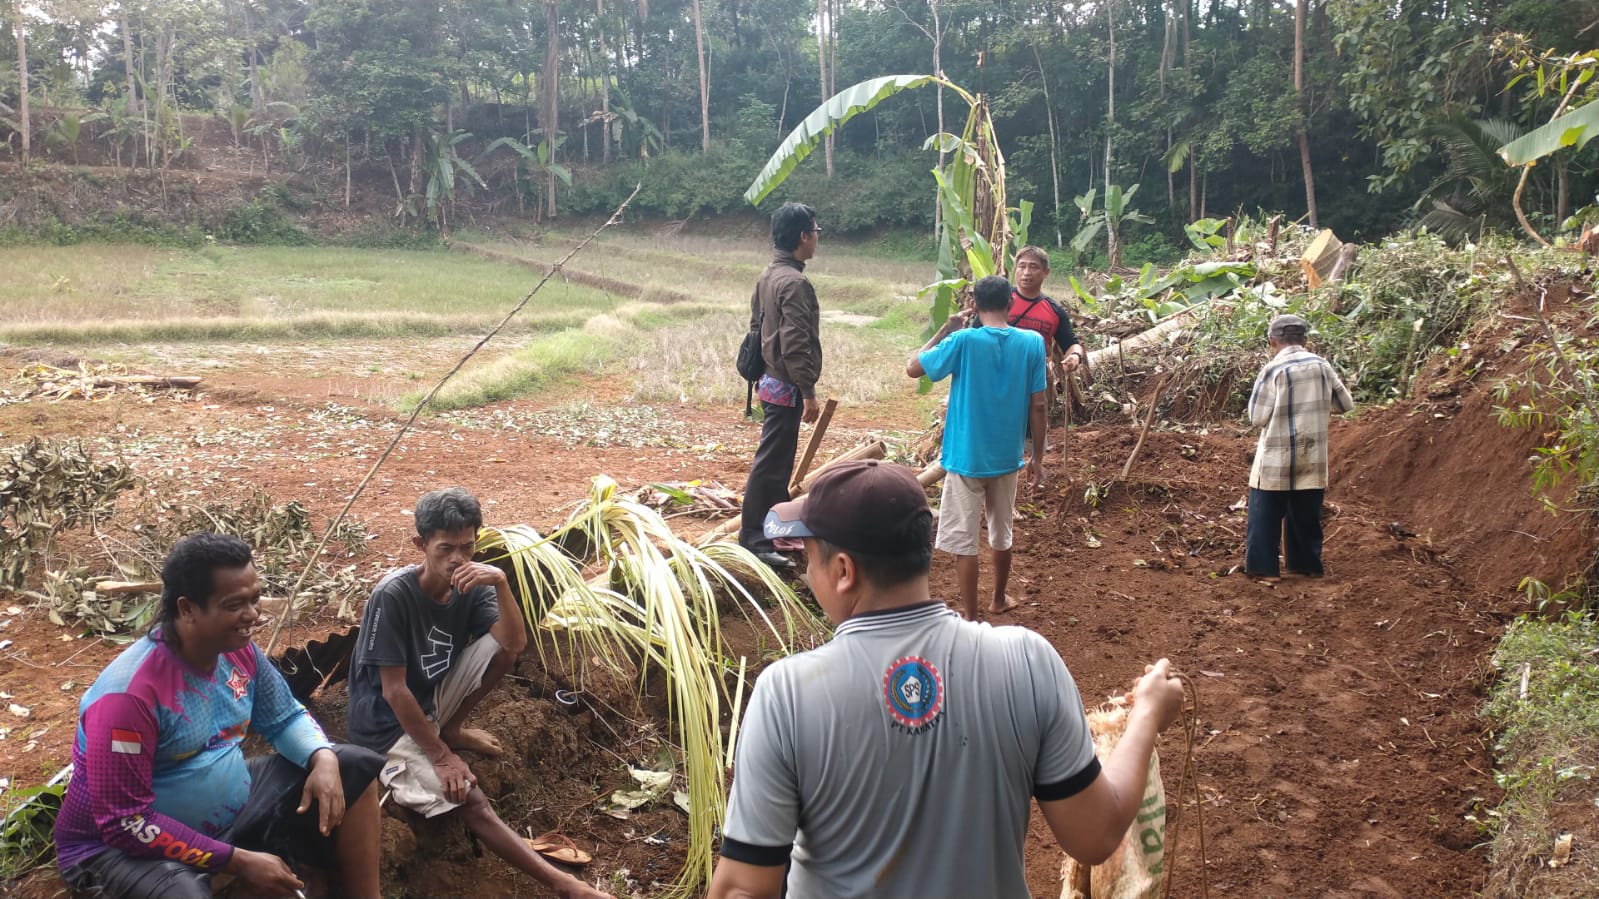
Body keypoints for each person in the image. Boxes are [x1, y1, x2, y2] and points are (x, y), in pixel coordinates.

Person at [708, 460, 1186, 899]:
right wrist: (1146, 713)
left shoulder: (787, 694)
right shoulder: (1026, 660)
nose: (807, 573)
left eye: (808, 559)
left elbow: (743, 889)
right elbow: (1095, 835)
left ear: (843, 571)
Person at [54, 532, 383, 899]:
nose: (253, 615)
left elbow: (283, 717)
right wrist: (238, 861)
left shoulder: (238, 653)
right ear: (187, 608)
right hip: (114, 848)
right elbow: (124, 822)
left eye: (255, 599)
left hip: (230, 813)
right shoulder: (129, 698)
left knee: (352, 767)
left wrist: (320, 757)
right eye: (233, 605)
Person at [344, 487, 612, 899]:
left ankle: (450, 727)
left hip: (431, 700)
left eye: (467, 547)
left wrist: (502, 583)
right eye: (446, 548)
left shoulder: (472, 580)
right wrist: (441, 757)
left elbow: (514, 643)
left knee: (500, 648)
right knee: (471, 799)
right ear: (421, 545)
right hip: (383, 723)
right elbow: (395, 692)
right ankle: (564, 884)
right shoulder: (393, 595)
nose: (457, 558)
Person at [908, 275, 1048, 620]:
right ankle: (998, 598)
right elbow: (1040, 406)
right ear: (1010, 303)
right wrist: (1038, 458)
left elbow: (914, 368)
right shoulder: (1032, 343)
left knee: (963, 541)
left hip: (965, 458)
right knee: (1002, 532)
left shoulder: (963, 340)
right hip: (1007, 456)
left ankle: (970, 617)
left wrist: (946, 328)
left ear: (975, 304)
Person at [739, 201, 824, 569]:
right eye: (816, 232)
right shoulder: (795, 282)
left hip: (769, 381)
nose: (817, 239)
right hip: (787, 385)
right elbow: (795, 342)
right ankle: (754, 538)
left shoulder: (769, 275)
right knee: (772, 464)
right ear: (803, 236)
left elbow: (757, 328)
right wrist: (808, 391)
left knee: (777, 461)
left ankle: (770, 530)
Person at [1244, 313, 1355, 581]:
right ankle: (1304, 566)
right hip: (1312, 456)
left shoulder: (1273, 370)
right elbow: (1345, 405)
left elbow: (1256, 417)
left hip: (1276, 458)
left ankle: (1264, 569)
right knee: (1306, 516)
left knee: (1264, 517)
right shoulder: (1322, 366)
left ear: (1272, 341)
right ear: (1305, 339)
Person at [1011, 244, 1088, 379]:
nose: (1026, 272)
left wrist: (1075, 356)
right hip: (997, 377)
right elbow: (976, 332)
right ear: (1015, 269)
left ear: (1046, 272)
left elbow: (1071, 344)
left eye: (1034, 267)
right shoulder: (998, 300)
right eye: (1022, 266)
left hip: (1034, 381)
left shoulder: (1055, 310)